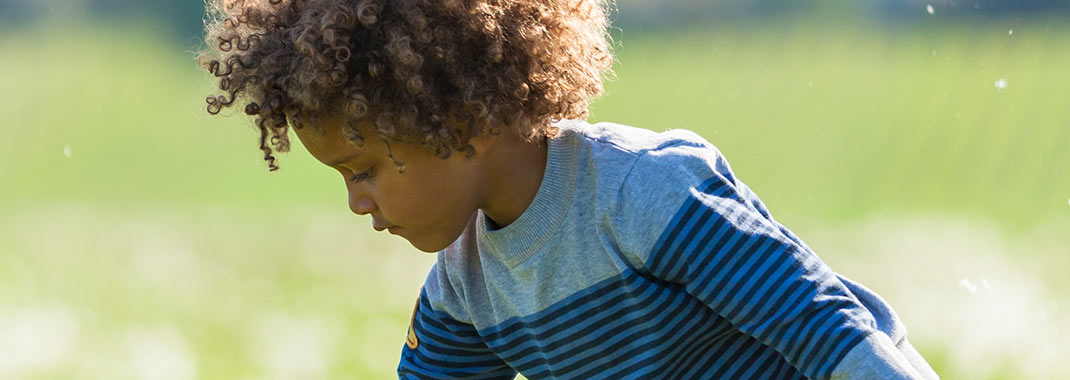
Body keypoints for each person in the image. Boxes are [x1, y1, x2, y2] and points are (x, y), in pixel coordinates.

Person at [198, 0, 939, 378]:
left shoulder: (645, 195)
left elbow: (821, 324)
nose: (357, 204)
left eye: (362, 172)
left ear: (463, 121)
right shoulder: (464, 290)